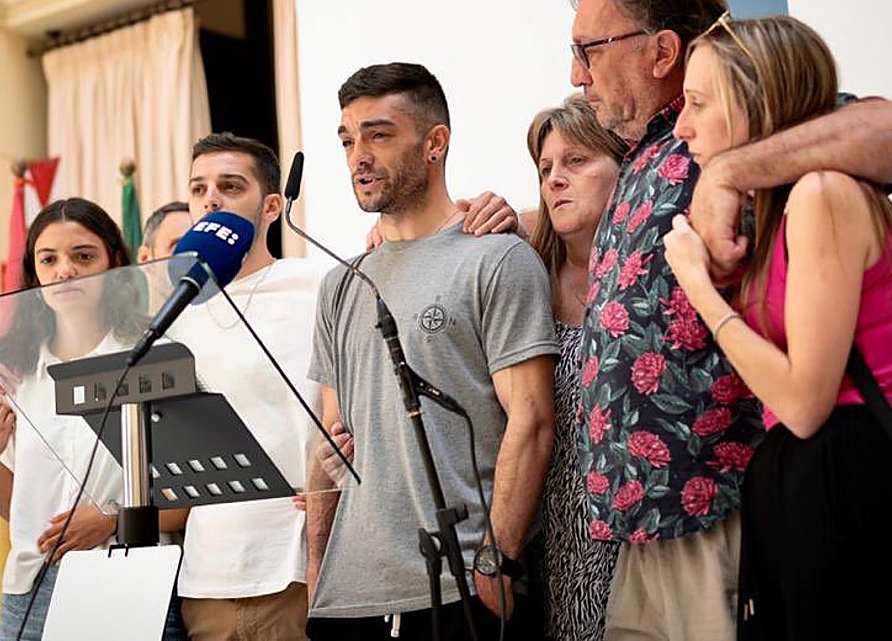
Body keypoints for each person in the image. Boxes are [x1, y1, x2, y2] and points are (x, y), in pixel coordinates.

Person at [567, 0, 892, 640]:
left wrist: (731, 171)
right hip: (640, 524)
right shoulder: (650, 147)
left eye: (589, 49)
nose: (575, 73)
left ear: (661, 50)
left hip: (723, 509)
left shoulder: (742, 129)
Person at [663, 14, 892, 639]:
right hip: (803, 481)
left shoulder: (823, 194)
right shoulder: (793, 203)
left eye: (697, 104)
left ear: (755, 103)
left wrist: (702, 291)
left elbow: (802, 402)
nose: (682, 126)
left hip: (841, 481)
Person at [305, 62, 558, 639]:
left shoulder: (494, 256)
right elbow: (327, 439)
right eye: (347, 140)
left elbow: (534, 419)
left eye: (379, 134)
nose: (358, 156)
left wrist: (498, 558)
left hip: (460, 588)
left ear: (435, 142)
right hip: (347, 599)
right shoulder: (340, 283)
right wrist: (318, 566)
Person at [169, 132, 327, 641]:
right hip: (205, 576)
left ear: (272, 206)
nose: (211, 198)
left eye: (230, 186)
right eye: (199, 189)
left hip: (296, 567)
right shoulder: (178, 308)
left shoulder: (316, 287)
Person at [0, 198, 144, 640]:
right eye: (49, 259)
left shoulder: (149, 356)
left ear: (115, 264)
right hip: (31, 588)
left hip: (125, 578)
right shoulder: (18, 372)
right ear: (34, 274)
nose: (64, 270)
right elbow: (24, 513)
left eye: (83, 256)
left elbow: (189, 494)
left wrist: (111, 518)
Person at [525, 96, 625, 640]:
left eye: (577, 161)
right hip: (555, 534)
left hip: (641, 527)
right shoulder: (529, 275)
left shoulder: (649, 271)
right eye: (545, 169)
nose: (556, 180)